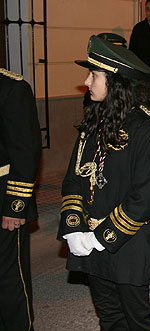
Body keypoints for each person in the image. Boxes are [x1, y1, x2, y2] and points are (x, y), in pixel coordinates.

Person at [58, 36, 150, 330]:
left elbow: (146, 197)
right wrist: (72, 229)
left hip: (128, 246)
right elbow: (73, 179)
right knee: (109, 318)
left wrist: (99, 237)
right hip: (88, 243)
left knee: (142, 321)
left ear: (116, 81)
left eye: (94, 75)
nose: (86, 81)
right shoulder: (94, 120)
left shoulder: (148, 129)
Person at [0, 67, 41, 331]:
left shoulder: (11, 89)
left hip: (3, 196)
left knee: (8, 277)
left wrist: (16, 207)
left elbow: (26, 153)